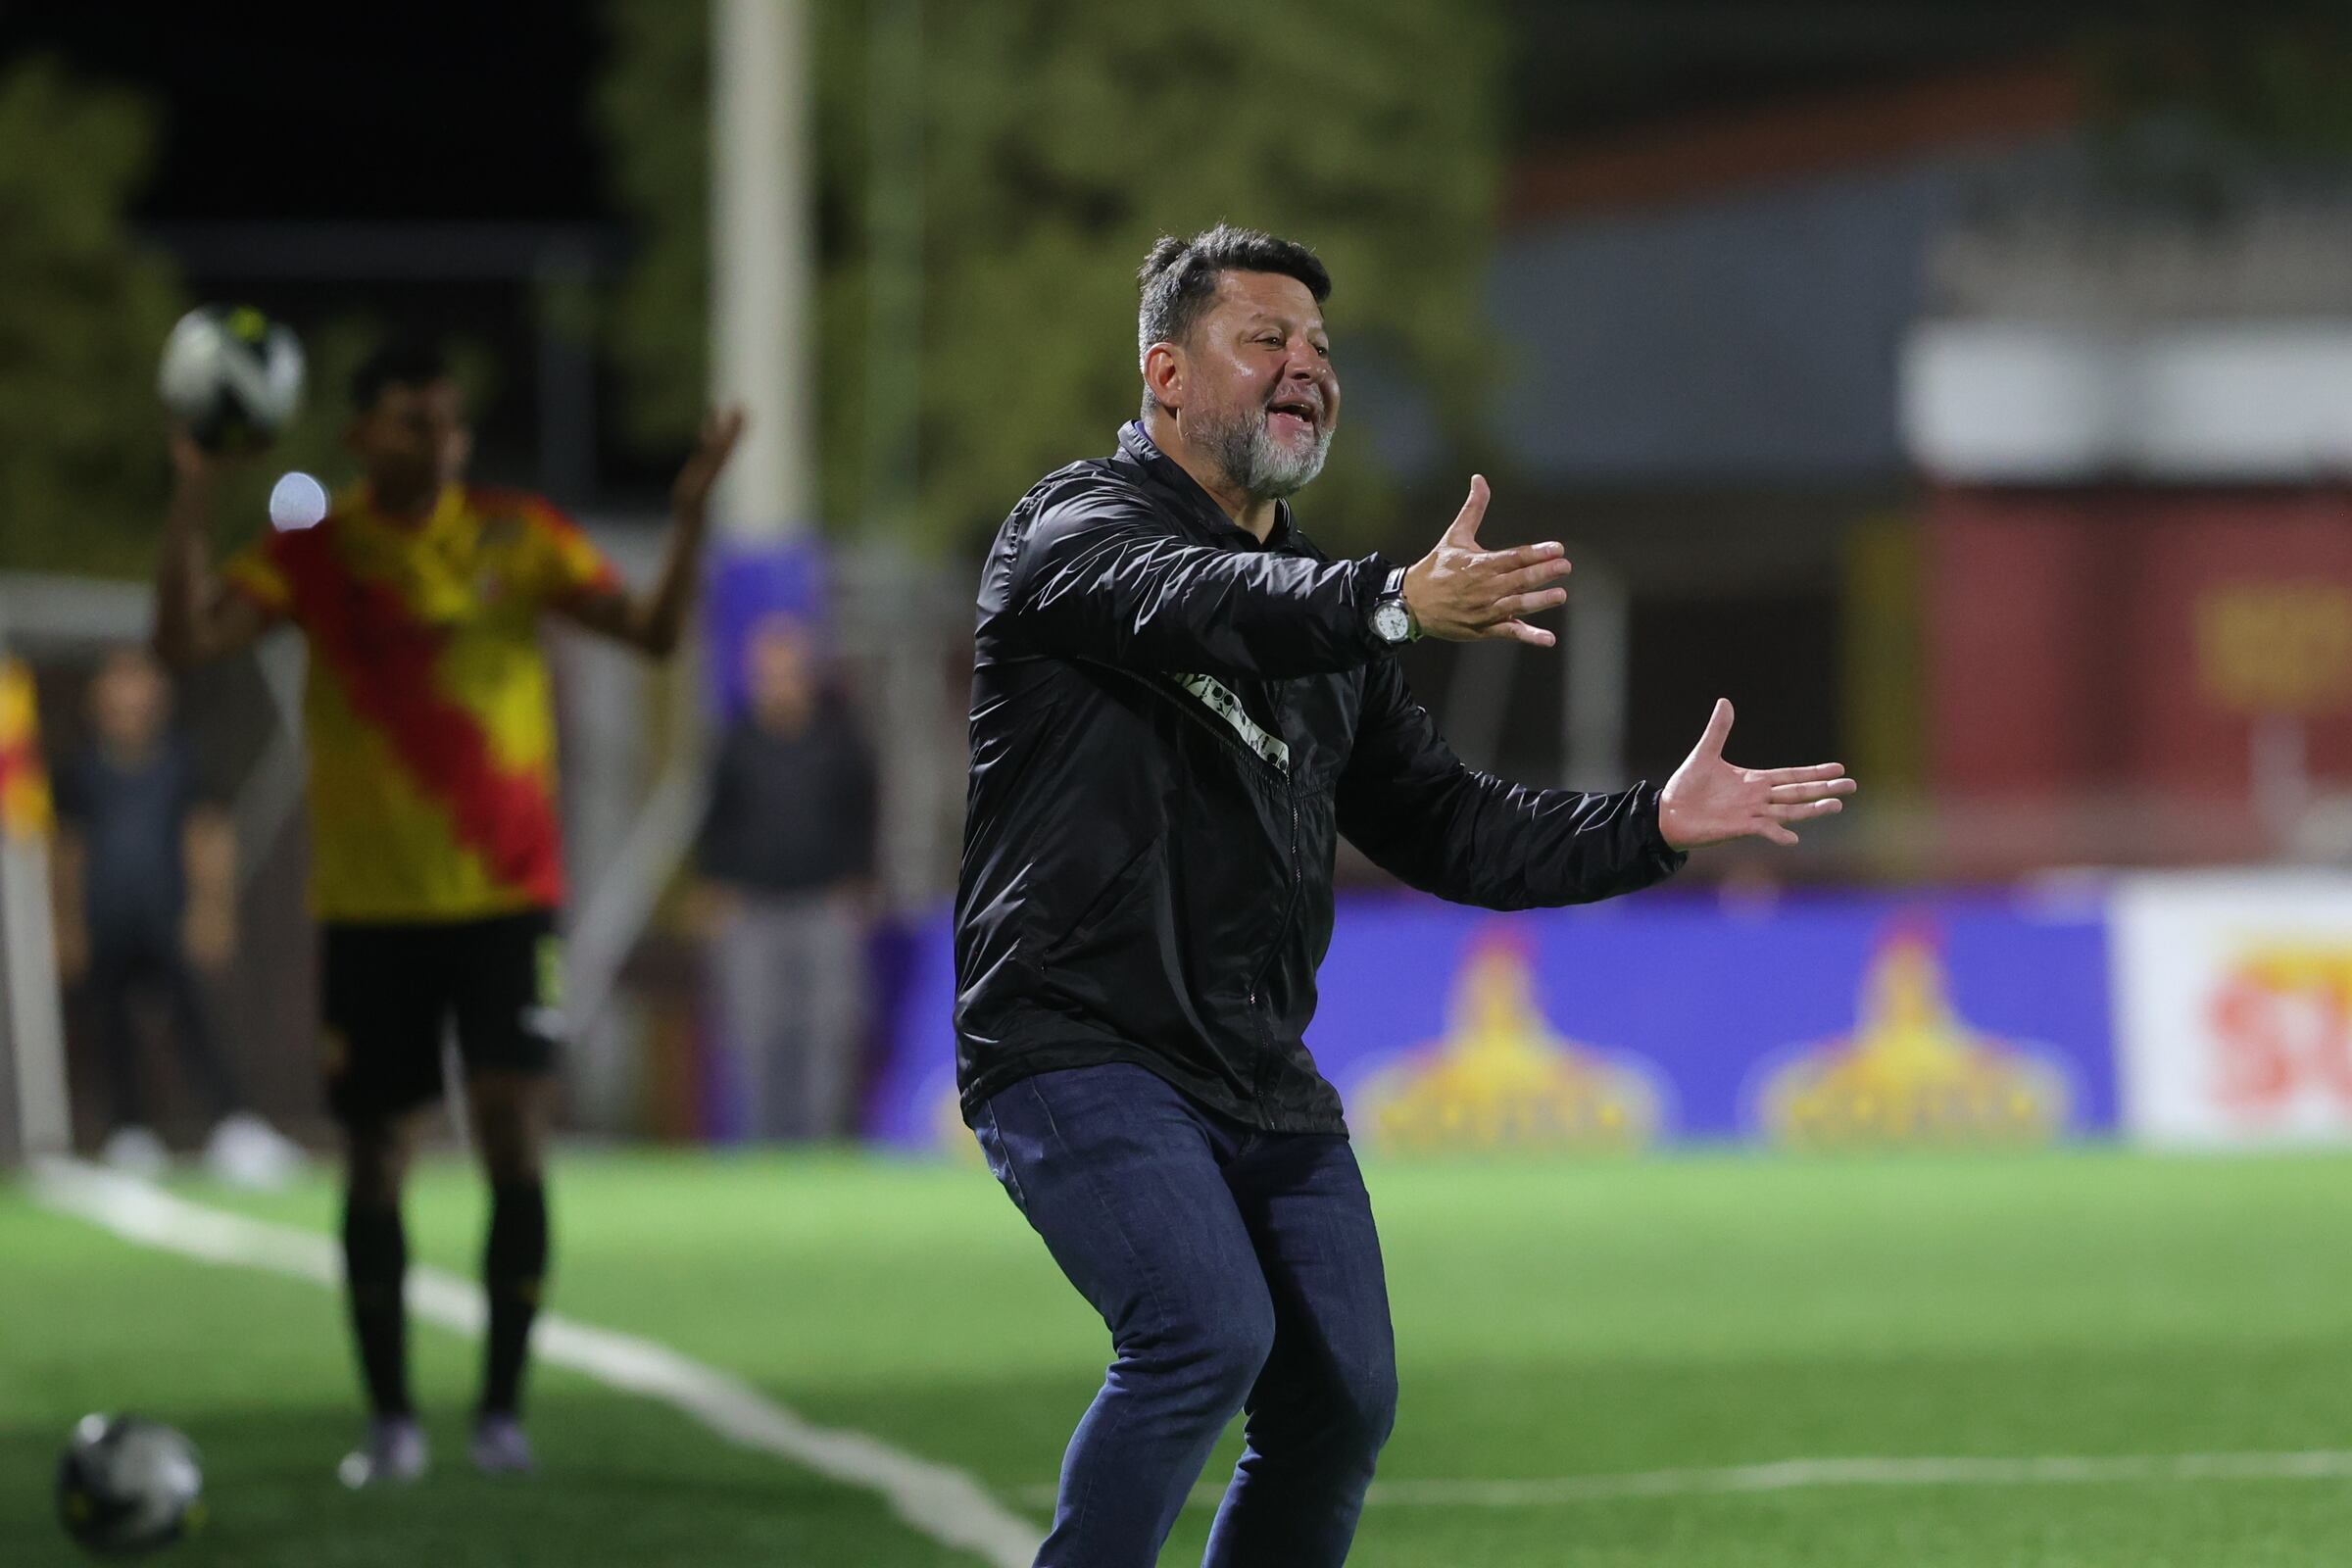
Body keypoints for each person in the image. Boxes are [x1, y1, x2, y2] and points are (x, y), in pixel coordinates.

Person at [955, 224, 1857, 1567]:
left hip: (1255, 1067)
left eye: (1320, 348)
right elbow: (1201, 599)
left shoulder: (1329, 622)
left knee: (1339, 1404)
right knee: (1203, 1334)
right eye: (1266, 340)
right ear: (1165, 373)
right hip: (1075, 1039)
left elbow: (1453, 829)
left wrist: (1652, 826)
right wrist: (1384, 603)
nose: (1305, 366)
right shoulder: (1074, 531)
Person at [152, 339, 744, 1486]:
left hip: (508, 904)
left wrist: (686, 523)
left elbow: (653, 634)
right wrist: (190, 490)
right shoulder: (317, 554)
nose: (442, 440)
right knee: (375, 1157)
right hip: (372, 911)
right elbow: (183, 642)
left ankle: (500, 1415)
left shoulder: (515, 535)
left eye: (450, 421)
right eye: (416, 422)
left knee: (517, 1133)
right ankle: (389, 1421)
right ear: (364, 436)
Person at [49, 646, 297, 1185]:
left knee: (196, 1021)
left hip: (167, 915)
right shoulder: (81, 771)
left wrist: (212, 908)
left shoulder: (181, 762)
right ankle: (127, 1129)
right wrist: (66, 924)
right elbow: (67, 849)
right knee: (109, 1024)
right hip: (105, 918)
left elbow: (207, 833)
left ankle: (234, 1124)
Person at [693, 612, 879, 1141]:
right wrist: (712, 888)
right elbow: (715, 822)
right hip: (751, 912)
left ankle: (819, 1151)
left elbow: (864, 813)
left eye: (788, 672)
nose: (778, 685)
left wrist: (859, 883)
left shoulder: (840, 742)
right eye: (767, 673)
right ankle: (759, 1152)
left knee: (828, 1036)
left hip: (824, 908)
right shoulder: (735, 743)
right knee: (753, 1036)